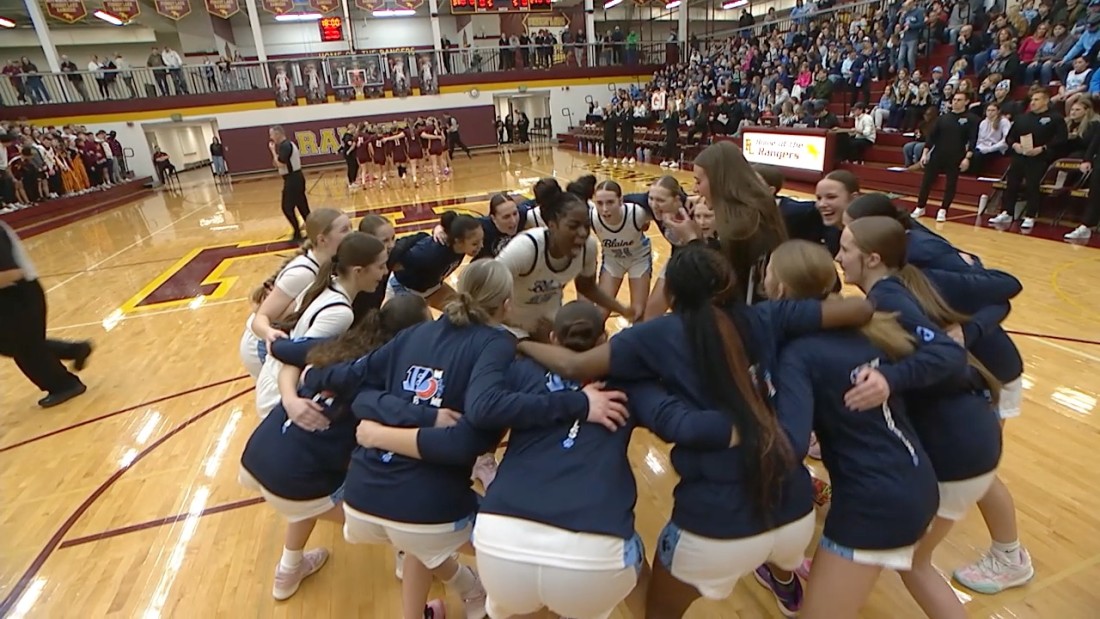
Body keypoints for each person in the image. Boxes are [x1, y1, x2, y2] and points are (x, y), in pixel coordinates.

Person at [516, 244, 876, 618]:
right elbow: (861, 308)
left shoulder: (653, 336)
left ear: (670, 293)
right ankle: (784, 582)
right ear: (726, 284)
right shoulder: (766, 316)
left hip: (715, 525)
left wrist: (520, 342)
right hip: (794, 510)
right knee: (780, 552)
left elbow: (574, 366)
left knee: (658, 613)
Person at [355, 300, 739, 619]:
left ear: (552, 338)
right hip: (593, 557)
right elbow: (683, 425)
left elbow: (479, 414)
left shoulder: (518, 374)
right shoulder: (630, 382)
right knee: (634, 562)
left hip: (500, 543)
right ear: (604, 340)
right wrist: (742, 423)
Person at [299, 259, 630, 619]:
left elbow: (346, 382)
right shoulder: (496, 345)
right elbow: (472, 430)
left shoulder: (413, 334)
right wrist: (578, 402)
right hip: (426, 508)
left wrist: (372, 424)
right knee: (515, 540)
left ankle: (462, 595)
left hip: (361, 501)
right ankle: (480, 597)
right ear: (505, 305)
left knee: (421, 543)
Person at [837, 217, 1003, 619]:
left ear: (872, 258)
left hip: (960, 448)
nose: (838, 257)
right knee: (911, 558)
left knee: (912, 562)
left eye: (845, 249)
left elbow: (947, 356)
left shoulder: (889, 299)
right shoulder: (901, 286)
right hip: (974, 437)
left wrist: (889, 380)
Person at [764, 240, 940, 618]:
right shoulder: (871, 327)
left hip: (874, 500)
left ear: (778, 287)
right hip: (916, 479)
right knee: (921, 573)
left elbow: (791, 445)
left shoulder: (798, 352)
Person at [239, 294, 433, 600]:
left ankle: (289, 569)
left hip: (257, 454)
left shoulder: (345, 342)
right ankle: (453, 579)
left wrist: (289, 398)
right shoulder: (391, 377)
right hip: (295, 481)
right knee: (412, 525)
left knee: (312, 484)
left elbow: (286, 351)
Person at [254, 232, 390, 417]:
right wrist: (290, 399)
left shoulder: (326, 284)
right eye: (380, 267)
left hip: (273, 378)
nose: (385, 272)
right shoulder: (339, 313)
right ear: (358, 271)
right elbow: (297, 356)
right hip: (281, 392)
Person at [495, 180, 632, 338]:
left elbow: (586, 287)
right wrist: (501, 321)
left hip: (550, 326)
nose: (582, 233)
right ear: (552, 225)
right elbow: (484, 288)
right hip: (510, 329)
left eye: (586, 226)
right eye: (573, 226)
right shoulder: (526, 248)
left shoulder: (588, 247)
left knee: (597, 338)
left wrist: (622, 309)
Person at [239, 209, 350, 379]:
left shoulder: (329, 263)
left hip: (285, 339)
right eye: (344, 230)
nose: (351, 234)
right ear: (322, 239)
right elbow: (259, 319)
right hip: (262, 343)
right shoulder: (302, 274)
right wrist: (270, 335)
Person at [0, 220, 93, 407]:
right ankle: (74, 350)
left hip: (18, 295)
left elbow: (11, 273)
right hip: (10, 296)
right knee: (9, 344)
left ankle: (65, 385)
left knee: (25, 349)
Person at [988, 90, 1066, 229]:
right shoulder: (1022, 118)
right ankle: (1007, 212)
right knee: (1011, 184)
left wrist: (1043, 148)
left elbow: (1061, 139)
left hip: (1040, 157)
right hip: (1020, 155)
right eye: (1032, 100)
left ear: (1046, 100)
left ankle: (1030, 215)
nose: (1033, 102)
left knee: (1032, 185)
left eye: (1037, 99)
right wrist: (1015, 144)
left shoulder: (1056, 118)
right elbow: (1010, 137)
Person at [386, 212, 484, 310]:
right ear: (458, 241)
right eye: (475, 244)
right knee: (424, 323)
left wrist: (439, 227)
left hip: (432, 288)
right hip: (406, 289)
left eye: (481, 241)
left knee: (464, 312)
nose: (481, 246)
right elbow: (394, 255)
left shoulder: (458, 243)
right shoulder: (429, 254)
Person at [590, 180, 652, 321]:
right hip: (613, 261)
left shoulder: (636, 213)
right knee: (600, 314)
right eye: (600, 203)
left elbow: (654, 218)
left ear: (621, 201)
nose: (605, 209)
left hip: (639, 259)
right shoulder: (592, 217)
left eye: (610, 202)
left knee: (638, 313)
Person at [912, 91, 978, 222]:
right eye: (954, 99)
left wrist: (967, 158)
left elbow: (973, 140)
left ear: (966, 102)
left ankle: (944, 209)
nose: (955, 102)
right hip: (938, 154)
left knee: (951, 184)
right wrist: (925, 153)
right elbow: (932, 137)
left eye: (959, 100)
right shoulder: (943, 118)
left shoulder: (971, 119)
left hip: (956, 155)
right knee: (926, 181)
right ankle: (920, 206)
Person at [270, 125, 311, 242]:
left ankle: (297, 233)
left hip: (293, 180)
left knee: (287, 207)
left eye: (272, 134)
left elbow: (280, 164)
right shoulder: (286, 145)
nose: (271, 137)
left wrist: (273, 152)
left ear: (278, 134)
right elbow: (276, 163)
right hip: (296, 179)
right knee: (302, 207)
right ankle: (311, 231)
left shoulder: (285, 146)